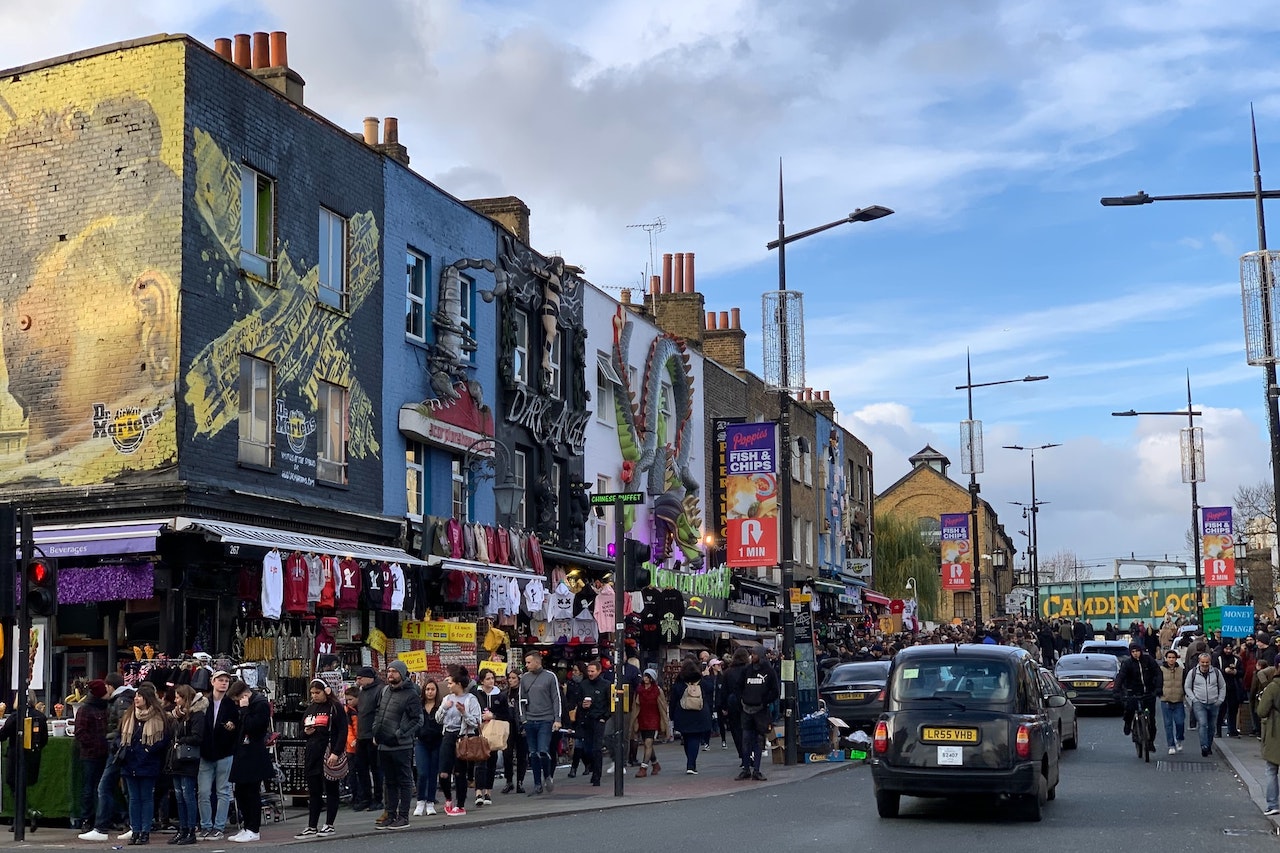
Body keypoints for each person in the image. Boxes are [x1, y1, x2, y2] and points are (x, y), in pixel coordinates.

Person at [79, 672, 136, 842]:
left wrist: (113, 744)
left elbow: (123, 727)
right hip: (118, 749)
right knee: (126, 789)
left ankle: (101, 827)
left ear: (110, 686)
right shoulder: (124, 699)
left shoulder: (120, 701)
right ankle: (132, 825)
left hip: (117, 751)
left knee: (104, 787)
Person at [294, 679, 347, 838]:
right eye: (312, 693)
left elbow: (342, 731)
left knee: (331, 789)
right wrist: (306, 732)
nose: (314, 696)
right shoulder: (310, 708)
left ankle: (329, 824)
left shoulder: (335, 707)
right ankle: (312, 826)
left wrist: (336, 752)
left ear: (327, 691)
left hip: (328, 751)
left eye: (317, 693)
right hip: (312, 752)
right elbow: (301, 731)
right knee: (314, 791)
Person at [119, 684, 171, 846]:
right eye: (136, 696)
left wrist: (149, 750)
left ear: (147, 699)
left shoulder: (159, 717)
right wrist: (121, 749)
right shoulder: (129, 716)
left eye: (139, 696)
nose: (136, 699)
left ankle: (145, 832)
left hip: (149, 763)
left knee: (147, 798)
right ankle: (135, 830)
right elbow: (119, 735)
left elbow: (164, 740)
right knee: (134, 799)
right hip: (129, 762)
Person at [371, 660, 421, 830]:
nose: (390, 674)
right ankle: (390, 815)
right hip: (384, 744)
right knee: (389, 781)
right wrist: (376, 732)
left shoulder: (411, 693)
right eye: (388, 671)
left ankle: (403, 816)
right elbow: (379, 712)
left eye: (394, 671)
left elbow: (417, 720)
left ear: (402, 673)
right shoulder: (385, 690)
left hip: (401, 746)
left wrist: (400, 733)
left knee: (404, 781)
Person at [226, 680, 272, 843]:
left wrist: (244, 710)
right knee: (240, 791)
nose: (237, 704)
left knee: (252, 792)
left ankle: (254, 828)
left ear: (244, 695)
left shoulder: (260, 704)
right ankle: (247, 826)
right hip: (243, 752)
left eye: (238, 700)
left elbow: (254, 727)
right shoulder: (246, 706)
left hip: (253, 753)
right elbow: (243, 725)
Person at [196, 670, 237, 842]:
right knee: (203, 792)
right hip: (206, 752)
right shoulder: (204, 702)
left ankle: (218, 827)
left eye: (227, 680)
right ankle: (206, 825)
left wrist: (232, 726)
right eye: (220, 680)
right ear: (213, 681)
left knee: (223, 791)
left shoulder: (231, 704)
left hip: (224, 752)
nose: (224, 683)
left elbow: (237, 725)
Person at [436, 666, 482, 816]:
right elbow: (438, 719)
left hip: (462, 737)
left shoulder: (470, 699)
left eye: (450, 682)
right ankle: (448, 798)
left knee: (459, 772)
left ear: (459, 683)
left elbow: (476, 722)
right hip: (448, 735)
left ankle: (460, 804)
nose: (448, 686)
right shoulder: (447, 699)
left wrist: (464, 712)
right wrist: (444, 708)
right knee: (443, 773)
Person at [166, 685, 206, 846]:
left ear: (185, 698)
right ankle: (182, 829)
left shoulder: (196, 715)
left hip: (188, 759)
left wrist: (181, 741)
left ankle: (190, 829)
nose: (175, 701)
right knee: (179, 796)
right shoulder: (179, 715)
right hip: (176, 759)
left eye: (178, 697)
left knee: (187, 795)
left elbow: (198, 737)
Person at [519, 652, 561, 796]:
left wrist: (557, 719)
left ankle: (548, 775)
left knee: (543, 750)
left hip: (546, 719)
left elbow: (556, 698)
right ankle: (537, 783)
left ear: (537, 662)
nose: (526, 665)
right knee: (533, 753)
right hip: (530, 719)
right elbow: (521, 699)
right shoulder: (524, 678)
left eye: (529, 662)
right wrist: (523, 718)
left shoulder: (550, 676)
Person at [735, 651, 780, 781]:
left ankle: (757, 770)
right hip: (746, 709)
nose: (751, 657)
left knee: (759, 741)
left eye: (754, 654)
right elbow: (738, 687)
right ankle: (746, 769)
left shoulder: (769, 671)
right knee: (746, 740)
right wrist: (742, 700)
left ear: (760, 656)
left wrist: (764, 701)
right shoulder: (746, 670)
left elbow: (775, 691)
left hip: (760, 711)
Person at [74, 679, 111, 833]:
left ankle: (102, 817)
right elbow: (80, 732)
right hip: (91, 755)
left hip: (103, 753)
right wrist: (96, 744)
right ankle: (87, 818)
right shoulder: (86, 709)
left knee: (102, 787)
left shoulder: (105, 708)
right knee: (89, 787)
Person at [471, 668, 511, 807]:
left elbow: (506, 715)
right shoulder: (475, 694)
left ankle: (488, 791)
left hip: (493, 733)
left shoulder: (500, 695)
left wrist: (493, 716)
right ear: (481, 680)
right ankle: (478, 792)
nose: (491, 681)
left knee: (491, 762)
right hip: (479, 731)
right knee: (480, 762)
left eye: (492, 678)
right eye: (487, 679)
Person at [668, 659, 714, 774]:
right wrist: (707, 676)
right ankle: (691, 764)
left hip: (683, 713)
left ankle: (690, 762)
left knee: (686, 737)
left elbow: (673, 699)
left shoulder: (679, 682)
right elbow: (710, 689)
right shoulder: (701, 680)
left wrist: (672, 715)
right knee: (695, 738)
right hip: (700, 714)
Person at [1117, 640, 1161, 750]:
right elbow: (1120, 677)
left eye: (1137, 651)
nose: (1135, 653)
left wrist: (1158, 688)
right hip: (1133, 692)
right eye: (1133, 651)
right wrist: (1116, 691)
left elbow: (1158, 672)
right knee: (1130, 709)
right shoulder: (1127, 664)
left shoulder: (1148, 660)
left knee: (1151, 720)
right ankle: (1128, 723)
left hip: (1149, 692)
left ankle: (1150, 742)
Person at [352, 666, 384, 813]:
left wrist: (376, 733)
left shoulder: (379, 689)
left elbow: (379, 713)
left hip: (372, 736)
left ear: (369, 678)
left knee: (376, 768)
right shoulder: (362, 691)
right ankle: (366, 797)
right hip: (361, 735)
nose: (358, 681)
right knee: (361, 768)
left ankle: (378, 799)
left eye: (360, 678)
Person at [1185, 652, 1228, 757]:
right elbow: (1187, 687)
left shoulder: (1217, 673)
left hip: (1214, 703)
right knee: (1203, 724)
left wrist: (1220, 700)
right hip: (1199, 703)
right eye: (1202, 662)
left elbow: (1222, 686)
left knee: (1212, 726)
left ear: (1210, 662)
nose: (1204, 665)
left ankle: (1209, 745)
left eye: (1207, 662)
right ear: (1199, 662)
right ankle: (1204, 746)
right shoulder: (1193, 672)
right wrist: (1194, 699)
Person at [576, 661, 612, 786]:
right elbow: (578, 701)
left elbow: (610, 704)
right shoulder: (583, 685)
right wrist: (582, 705)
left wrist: (604, 717)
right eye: (589, 671)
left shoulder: (606, 685)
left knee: (597, 748)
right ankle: (591, 767)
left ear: (599, 671)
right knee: (587, 749)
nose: (590, 673)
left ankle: (597, 776)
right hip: (587, 719)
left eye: (592, 671)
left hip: (599, 719)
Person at [631, 668, 669, 777]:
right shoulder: (639, 690)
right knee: (648, 744)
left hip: (654, 719)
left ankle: (643, 768)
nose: (646, 678)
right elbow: (635, 706)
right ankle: (655, 764)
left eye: (648, 676)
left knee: (648, 743)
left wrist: (664, 722)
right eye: (645, 676)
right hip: (642, 719)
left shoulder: (657, 690)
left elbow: (662, 706)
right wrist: (634, 721)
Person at [414, 679, 444, 816]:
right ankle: (420, 801)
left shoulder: (441, 706)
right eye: (427, 689)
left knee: (433, 773)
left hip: (437, 742)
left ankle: (430, 802)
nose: (430, 692)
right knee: (422, 772)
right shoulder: (418, 706)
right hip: (421, 742)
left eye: (432, 689)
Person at [1255, 653, 1280, 815]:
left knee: (1271, 769)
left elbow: (1262, 711)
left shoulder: (1273, 687)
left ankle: (1273, 804)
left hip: (1275, 732)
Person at [720, 649, 749, 771]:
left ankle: (743, 756)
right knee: (748, 729)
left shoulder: (728, 672)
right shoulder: (749, 669)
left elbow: (724, 691)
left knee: (737, 731)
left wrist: (724, 707)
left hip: (733, 704)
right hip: (748, 703)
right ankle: (749, 754)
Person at [501, 670, 527, 794]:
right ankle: (509, 780)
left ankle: (520, 781)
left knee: (522, 755)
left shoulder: (524, 693)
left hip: (521, 725)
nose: (511, 680)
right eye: (509, 678)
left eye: (513, 678)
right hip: (508, 725)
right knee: (507, 754)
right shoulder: (505, 694)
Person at [1158, 649, 1187, 755]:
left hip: (1179, 700)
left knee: (1180, 722)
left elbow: (1185, 682)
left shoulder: (1181, 670)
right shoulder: (1160, 669)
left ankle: (1179, 739)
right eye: (1169, 657)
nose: (1171, 659)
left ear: (1176, 658)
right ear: (1166, 658)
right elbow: (1157, 681)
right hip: (1165, 699)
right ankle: (1171, 745)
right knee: (1168, 724)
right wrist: (1159, 692)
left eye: (1173, 657)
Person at [1215, 641, 1244, 738]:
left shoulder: (1236, 659)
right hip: (1221, 688)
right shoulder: (1218, 658)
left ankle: (1232, 730)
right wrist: (1224, 671)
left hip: (1233, 688)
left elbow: (1241, 672)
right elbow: (1214, 671)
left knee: (1233, 710)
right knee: (1220, 711)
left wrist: (1235, 672)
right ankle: (1217, 731)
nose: (1228, 651)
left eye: (1230, 649)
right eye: (1226, 649)